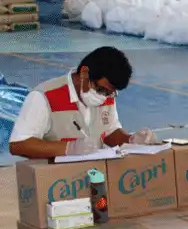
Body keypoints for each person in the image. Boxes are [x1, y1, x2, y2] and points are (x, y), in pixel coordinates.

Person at [8, 46, 158, 159]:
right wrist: (68, 149)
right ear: (84, 74)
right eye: (100, 89)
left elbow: (109, 131)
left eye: (109, 93)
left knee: (103, 202)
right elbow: (18, 145)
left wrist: (130, 140)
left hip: (94, 178)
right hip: (56, 183)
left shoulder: (106, 96)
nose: (103, 97)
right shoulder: (44, 97)